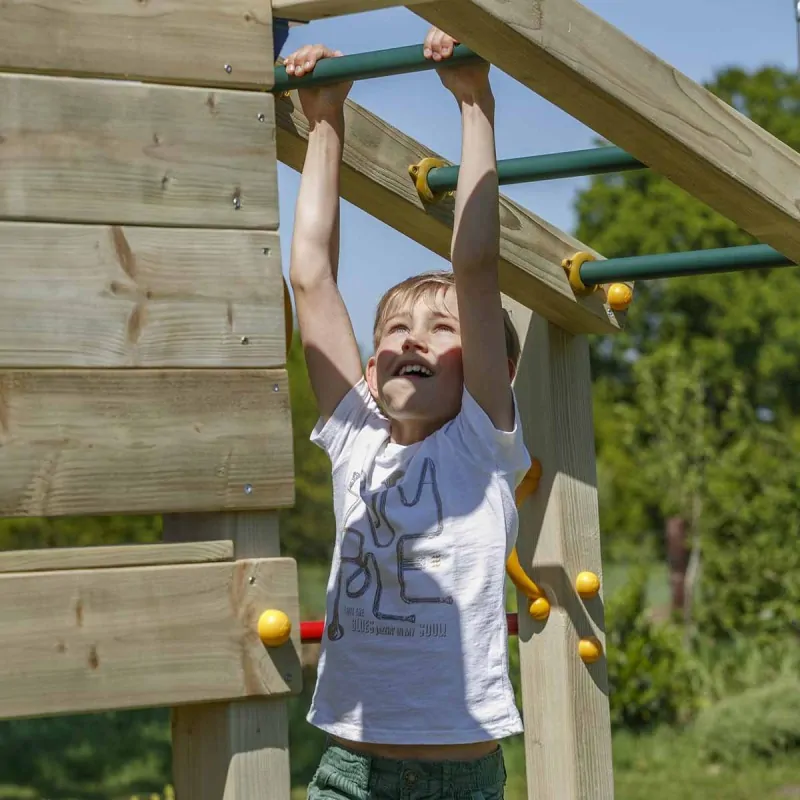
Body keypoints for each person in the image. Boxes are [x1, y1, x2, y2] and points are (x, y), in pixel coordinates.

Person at [286, 25, 531, 800]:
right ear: (368, 367)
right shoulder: (355, 437)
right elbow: (311, 278)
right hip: (349, 770)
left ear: (492, 369)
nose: (411, 340)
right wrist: (324, 122)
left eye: (441, 329)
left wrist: (474, 104)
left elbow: (477, 264)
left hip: (461, 778)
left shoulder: (479, 445)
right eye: (394, 329)